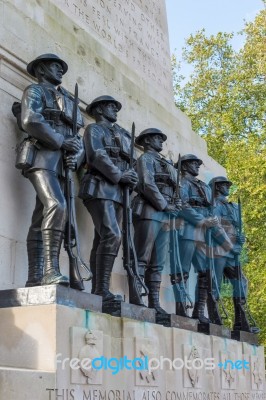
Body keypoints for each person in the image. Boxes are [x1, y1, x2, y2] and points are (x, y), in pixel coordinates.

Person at [20, 53, 84, 287]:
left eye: (61, 67)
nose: (60, 71)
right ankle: (50, 270)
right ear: (41, 71)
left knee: (41, 217)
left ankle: (34, 277)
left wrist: (75, 156)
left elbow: (78, 137)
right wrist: (60, 141)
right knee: (57, 205)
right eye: (54, 67)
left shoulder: (67, 99)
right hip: (41, 158)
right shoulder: (34, 91)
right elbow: (31, 120)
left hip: (62, 164)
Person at [79, 95, 138, 301]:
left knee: (104, 237)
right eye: (111, 107)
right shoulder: (94, 130)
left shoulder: (121, 135)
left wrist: (132, 178)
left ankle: (100, 288)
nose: (115, 110)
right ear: (100, 110)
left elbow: (133, 163)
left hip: (119, 192)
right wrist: (120, 175)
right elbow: (97, 155)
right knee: (112, 235)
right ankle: (101, 288)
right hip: (100, 187)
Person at [177, 154, 232, 322]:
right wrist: (203, 221)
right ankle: (180, 308)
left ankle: (199, 311)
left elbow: (212, 212)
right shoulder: (182, 182)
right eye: (194, 163)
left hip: (204, 235)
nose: (197, 166)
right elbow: (183, 206)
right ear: (185, 166)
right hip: (188, 232)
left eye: (197, 163)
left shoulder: (204, 187)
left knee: (205, 273)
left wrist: (226, 242)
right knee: (182, 271)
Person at [132, 128, 181, 315]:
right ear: (146, 142)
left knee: (158, 262)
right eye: (156, 139)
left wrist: (176, 205)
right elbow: (146, 184)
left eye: (161, 138)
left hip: (166, 214)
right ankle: (137, 296)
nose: (161, 142)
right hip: (150, 210)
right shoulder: (146, 159)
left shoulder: (165, 164)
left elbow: (175, 189)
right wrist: (164, 205)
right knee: (142, 257)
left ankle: (154, 301)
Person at [209, 176, 258, 332]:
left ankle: (240, 321)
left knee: (241, 282)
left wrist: (240, 239)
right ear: (217, 187)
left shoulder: (232, 206)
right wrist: (231, 246)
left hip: (231, 252)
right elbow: (216, 227)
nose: (228, 187)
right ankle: (215, 318)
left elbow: (231, 227)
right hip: (218, 250)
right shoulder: (215, 204)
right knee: (214, 284)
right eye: (224, 185)